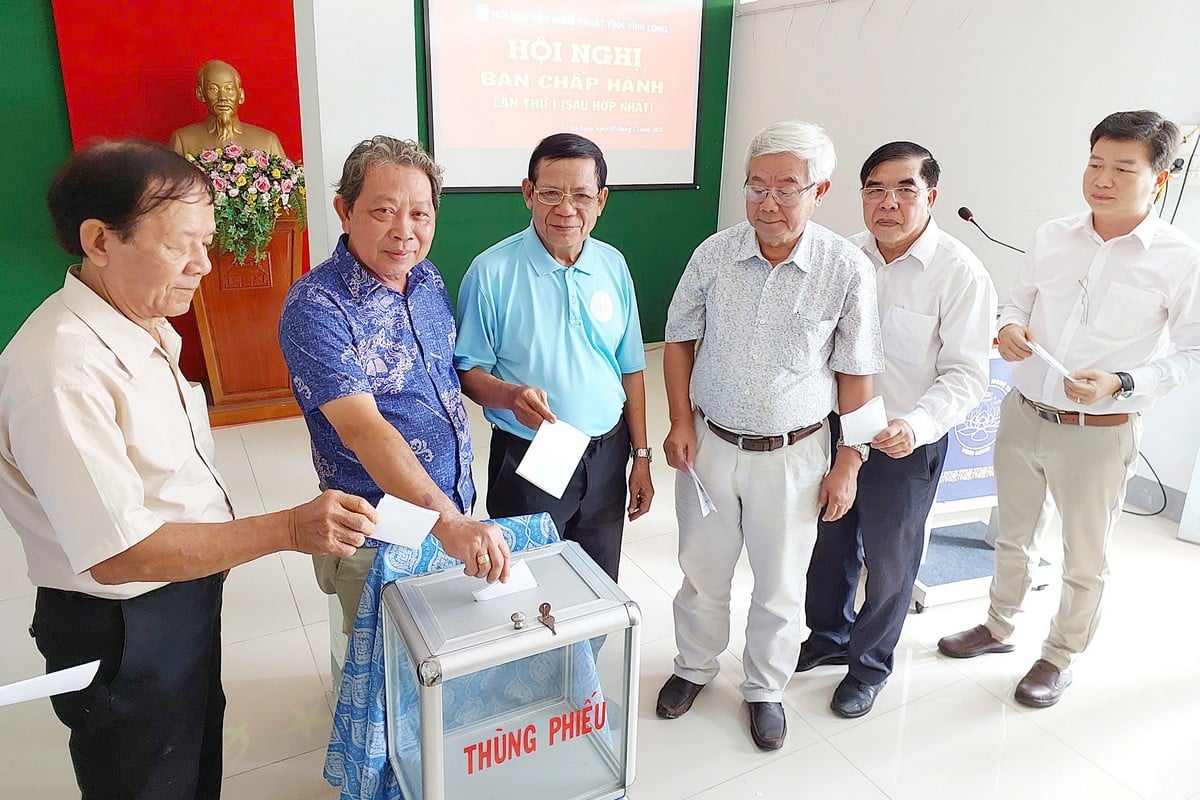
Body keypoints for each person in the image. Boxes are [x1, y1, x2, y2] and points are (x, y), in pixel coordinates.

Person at [0, 140, 376, 799]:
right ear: (100, 240)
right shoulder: (60, 371)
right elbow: (120, 554)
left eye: (208, 241)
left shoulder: (142, 323)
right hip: (122, 625)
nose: (205, 264)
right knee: (144, 777)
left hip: (181, 592)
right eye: (183, 244)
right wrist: (289, 529)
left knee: (192, 755)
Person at [939, 110, 1200, 707]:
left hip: (1100, 431)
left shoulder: (1180, 259)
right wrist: (1008, 327)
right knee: (1012, 534)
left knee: (1087, 556)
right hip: (1025, 409)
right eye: (1095, 163)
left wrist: (1123, 381)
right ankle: (999, 625)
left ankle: (1060, 655)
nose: (1102, 179)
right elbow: (1017, 301)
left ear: (1157, 178)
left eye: (1122, 169)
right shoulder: (1053, 234)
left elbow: (1194, 352)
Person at [654, 121, 883, 750]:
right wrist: (678, 421)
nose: (767, 202)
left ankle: (764, 688)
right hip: (711, 444)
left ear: (820, 190)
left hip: (796, 454)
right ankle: (694, 666)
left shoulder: (845, 269)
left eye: (786, 187)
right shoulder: (715, 254)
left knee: (782, 582)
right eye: (756, 186)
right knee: (702, 569)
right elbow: (678, 340)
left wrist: (850, 461)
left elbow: (856, 377)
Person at [279, 136, 510, 636]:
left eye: (420, 215)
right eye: (383, 211)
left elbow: (440, 378)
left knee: (437, 655)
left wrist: (506, 394)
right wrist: (448, 522)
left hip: (449, 509)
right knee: (380, 669)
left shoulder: (424, 278)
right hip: (376, 532)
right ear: (344, 210)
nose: (404, 232)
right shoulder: (316, 307)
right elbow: (364, 429)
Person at [799, 142, 997, 718]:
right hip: (838, 435)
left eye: (904, 189)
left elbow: (966, 374)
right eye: (874, 190)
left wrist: (917, 424)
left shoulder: (959, 274)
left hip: (904, 443)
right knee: (831, 545)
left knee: (890, 562)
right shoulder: (844, 256)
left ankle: (869, 666)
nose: (888, 203)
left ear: (930, 197)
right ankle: (828, 640)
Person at [453, 133, 652, 582]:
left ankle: (587, 654)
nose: (566, 209)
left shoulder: (613, 265)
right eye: (550, 194)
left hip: (607, 451)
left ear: (601, 200)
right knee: (527, 581)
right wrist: (510, 395)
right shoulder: (491, 272)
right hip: (534, 455)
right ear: (528, 194)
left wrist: (640, 456)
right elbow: (467, 371)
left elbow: (631, 368)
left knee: (598, 579)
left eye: (581, 195)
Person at [170, 60, 285, 157]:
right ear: (200, 94)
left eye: (229, 89)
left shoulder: (267, 141)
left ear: (240, 95)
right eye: (213, 89)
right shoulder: (183, 140)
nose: (223, 98)